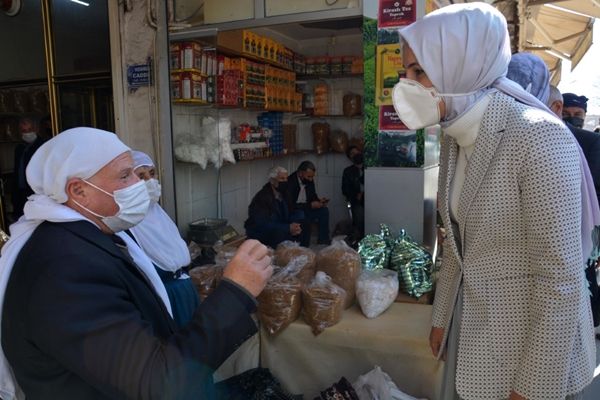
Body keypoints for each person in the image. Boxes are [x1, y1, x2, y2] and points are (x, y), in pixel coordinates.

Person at [392, 3, 597, 400]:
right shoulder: (456, 135)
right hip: (475, 339)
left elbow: (561, 280)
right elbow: (455, 242)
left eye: (419, 71)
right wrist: (440, 319)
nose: (407, 84)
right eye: (405, 73)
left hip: (533, 358)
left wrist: (532, 389)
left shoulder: (538, 137)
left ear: (462, 65)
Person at [0, 127, 273, 400]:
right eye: (124, 176)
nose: (138, 184)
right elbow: (156, 382)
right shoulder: (63, 269)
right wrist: (236, 291)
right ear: (78, 190)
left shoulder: (92, 236)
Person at [129, 150, 200, 328]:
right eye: (141, 176)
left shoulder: (158, 213)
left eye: (152, 174)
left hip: (184, 291)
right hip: (165, 299)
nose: (149, 181)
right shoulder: (129, 225)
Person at [548, 86, 600, 211]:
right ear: (558, 110)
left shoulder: (593, 141)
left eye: (578, 114)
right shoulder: (548, 137)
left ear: (584, 115)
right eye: (566, 114)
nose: (572, 118)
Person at [245, 166, 302, 248]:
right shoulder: (262, 198)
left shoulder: (285, 192)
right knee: (281, 235)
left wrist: (295, 224)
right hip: (262, 232)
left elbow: (292, 210)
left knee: (301, 224)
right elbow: (262, 224)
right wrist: (287, 228)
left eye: (286, 179)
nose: (285, 181)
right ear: (272, 181)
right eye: (282, 179)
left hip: (279, 227)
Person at [288, 161, 330, 247]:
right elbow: (290, 205)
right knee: (303, 216)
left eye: (312, 176)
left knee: (324, 211)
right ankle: (304, 246)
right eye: (309, 176)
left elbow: (312, 196)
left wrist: (319, 201)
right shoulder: (290, 183)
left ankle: (323, 242)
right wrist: (310, 205)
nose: (311, 179)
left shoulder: (309, 181)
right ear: (300, 173)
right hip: (294, 211)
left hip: (307, 208)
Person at [11, 117, 46, 220]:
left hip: (37, 190)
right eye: (23, 131)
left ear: (35, 129)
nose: (27, 133)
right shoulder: (19, 148)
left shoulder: (42, 146)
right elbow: (17, 170)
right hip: (21, 191)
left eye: (29, 130)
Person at [341, 145, 364, 239]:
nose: (355, 155)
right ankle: (362, 239)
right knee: (359, 215)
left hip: (372, 199)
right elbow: (345, 189)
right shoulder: (348, 171)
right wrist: (355, 195)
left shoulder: (370, 168)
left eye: (357, 152)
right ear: (350, 157)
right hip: (357, 201)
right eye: (352, 154)